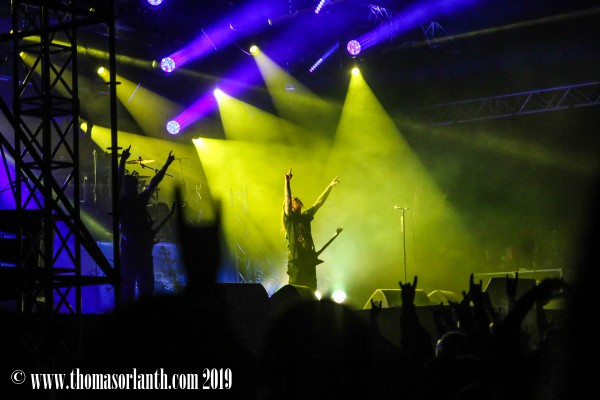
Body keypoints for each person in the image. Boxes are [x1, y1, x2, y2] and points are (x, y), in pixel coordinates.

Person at [118, 145, 175, 304]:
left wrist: (166, 165)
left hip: (138, 248)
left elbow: (154, 183)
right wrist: (122, 162)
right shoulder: (124, 202)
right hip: (134, 249)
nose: (135, 188)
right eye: (133, 186)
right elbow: (120, 182)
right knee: (132, 287)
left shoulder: (134, 201)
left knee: (139, 287)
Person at [283, 168, 340, 292]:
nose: (298, 201)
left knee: (311, 295)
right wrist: (287, 182)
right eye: (295, 201)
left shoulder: (305, 217)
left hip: (309, 264)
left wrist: (329, 187)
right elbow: (287, 200)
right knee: (297, 295)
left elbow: (318, 203)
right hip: (297, 265)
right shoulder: (290, 221)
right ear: (291, 207)